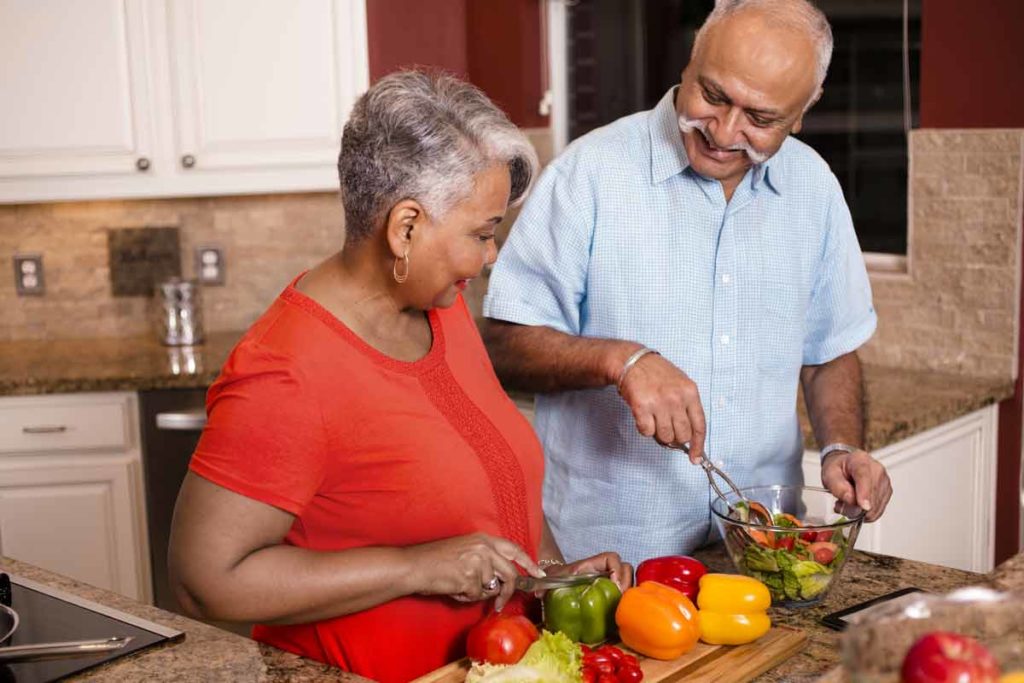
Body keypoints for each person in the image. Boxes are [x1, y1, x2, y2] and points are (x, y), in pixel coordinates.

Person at [167, 70, 631, 683]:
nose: (490, 256)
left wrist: (551, 580)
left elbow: (494, 487)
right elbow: (205, 583)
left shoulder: (440, 305)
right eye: (483, 232)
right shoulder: (286, 371)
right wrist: (415, 567)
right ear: (406, 228)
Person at [481, 0, 893, 567]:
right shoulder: (589, 174)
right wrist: (620, 361)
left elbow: (829, 352)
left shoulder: (814, 189)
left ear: (801, 113)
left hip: (760, 549)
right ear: (690, 61)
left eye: (761, 118)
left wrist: (842, 447)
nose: (723, 132)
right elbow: (502, 347)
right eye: (714, 95)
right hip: (607, 558)